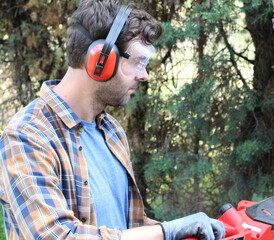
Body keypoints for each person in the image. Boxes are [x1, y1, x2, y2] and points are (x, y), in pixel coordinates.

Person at [0, 0, 225, 240]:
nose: (144, 75)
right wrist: (166, 231)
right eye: (137, 61)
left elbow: (126, 227)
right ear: (100, 60)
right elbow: (57, 236)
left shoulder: (111, 131)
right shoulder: (27, 137)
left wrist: (181, 232)